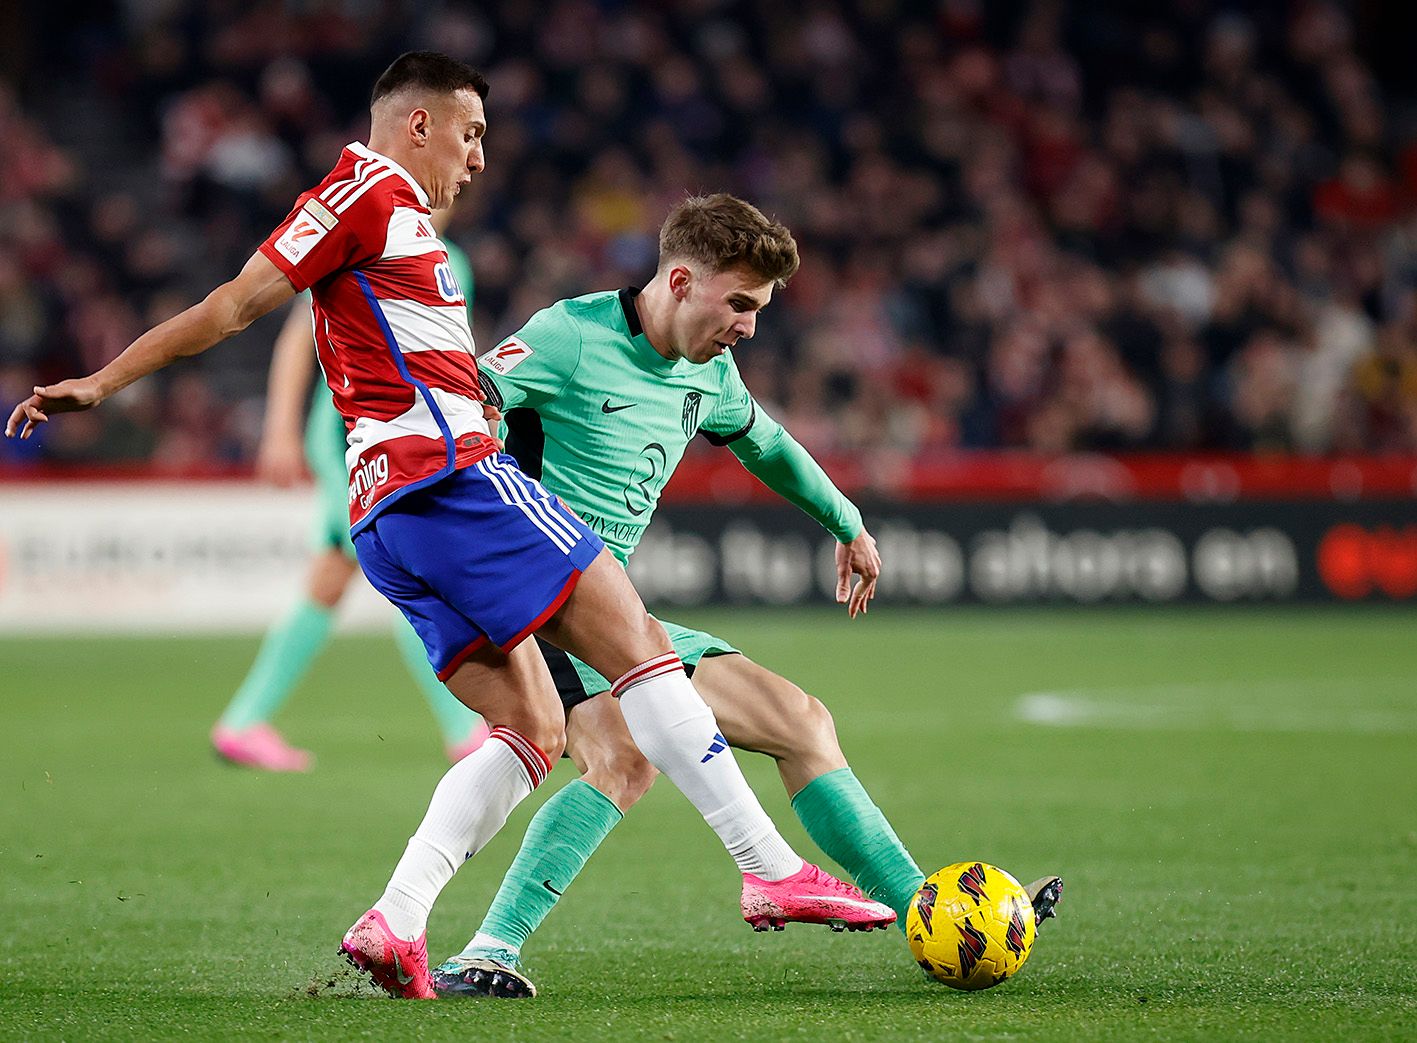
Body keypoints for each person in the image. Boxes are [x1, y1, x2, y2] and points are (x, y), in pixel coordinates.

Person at [6, 51, 891, 1001]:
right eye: (469, 134)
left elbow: (263, 312)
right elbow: (231, 308)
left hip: (387, 518)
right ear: (416, 124)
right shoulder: (367, 197)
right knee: (638, 642)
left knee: (531, 725)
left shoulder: (388, 224)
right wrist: (104, 379)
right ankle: (765, 865)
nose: (476, 160)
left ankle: (397, 917)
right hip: (451, 478)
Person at [428, 193, 1063, 998]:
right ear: (682, 279)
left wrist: (846, 522)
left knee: (799, 721)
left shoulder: (709, 370)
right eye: (740, 303)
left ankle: (932, 917)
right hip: (537, 601)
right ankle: (488, 951)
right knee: (621, 759)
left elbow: (767, 444)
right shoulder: (570, 336)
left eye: (758, 308)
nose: (749, 325)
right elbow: (467, 399)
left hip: (614, 610)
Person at [212, 208, 488, 771]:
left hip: (407, 441)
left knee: (337, 577)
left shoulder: (451, 259)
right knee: (412, 572)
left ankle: (243, 723)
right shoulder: (361, 239)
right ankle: (465, 731)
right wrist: (280, 430)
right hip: (350, 435)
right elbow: (298, 341)